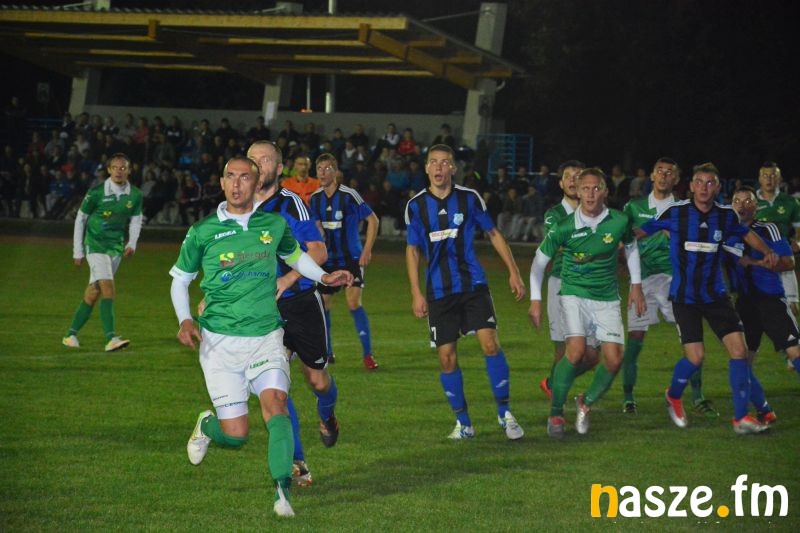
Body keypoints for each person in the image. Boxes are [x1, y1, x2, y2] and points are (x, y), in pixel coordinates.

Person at [170, 156, 352, 518]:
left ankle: (283, 493)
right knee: (236, 435)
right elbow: (180, 279)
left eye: (245, 178)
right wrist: (185, 320)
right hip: (220, 344)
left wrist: (324, 276)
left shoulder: (274, 223)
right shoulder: (203, 230)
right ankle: (207, 425)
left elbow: (296, 257)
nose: (237, 184)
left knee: (276, 405)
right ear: (222, 183)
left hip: (267, 335)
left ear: (256, 185)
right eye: (231, 177)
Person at [638, 163, 779, 433]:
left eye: (710, 182)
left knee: (739, 352)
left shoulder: (725, 216)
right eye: (699, 182)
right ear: (691, 186)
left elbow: (747, 233)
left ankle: (740, 418)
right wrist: (613, 242)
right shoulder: (676, 212)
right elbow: (641, 231)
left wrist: (767, 251)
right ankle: (674, 395)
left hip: (716, 296)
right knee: (695, 358)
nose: (704, 187)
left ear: (717, 187)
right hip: (685, 298)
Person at [404, 144, 526, 440]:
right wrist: (416, 292)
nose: (439, 167)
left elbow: (494, 233)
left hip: (472, 284)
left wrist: (514, 271)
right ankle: (464, 424)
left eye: (445, 162)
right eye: (434, 162)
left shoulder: (469, 198)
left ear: (453, 168)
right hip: (439, 291)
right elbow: (412, 250)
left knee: (490, 344)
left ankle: (505, 414)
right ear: (426, 168)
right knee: (446, 358)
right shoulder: (416, 206)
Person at [248, 140, 340, 487]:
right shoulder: (237, 207)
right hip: (264, 311)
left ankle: (327, 413)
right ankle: (297, 460)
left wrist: (287, 278)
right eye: (253, 159)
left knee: (317, 381)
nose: (258, 164)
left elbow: (319, 252)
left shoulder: (291, 204)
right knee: (276, 389)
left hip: (301, 302)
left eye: (265, 159)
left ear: (278, 168)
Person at [529, 168, 645, 438]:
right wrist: (535, 301)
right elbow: (538, 263)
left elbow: (630, 248)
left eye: (596, 188)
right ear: (578, 192)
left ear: (605, 192)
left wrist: (636, 286)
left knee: (614, 360)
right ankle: (556, 413)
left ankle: (585, 401)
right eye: (585, 189)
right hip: (573, 294)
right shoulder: (564, 226)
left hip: (607, 298)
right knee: (576, 351)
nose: (591, 194)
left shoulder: (619, 220)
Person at [620, 158, 714, 416]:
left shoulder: (685, 209)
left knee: (690, 337)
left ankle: (698, 396)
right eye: (659, 171)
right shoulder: (634, 207)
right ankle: (628, 398)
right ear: (652, 176)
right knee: (635, 337)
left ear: (676, 179)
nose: (663, 176)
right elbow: (624, 242)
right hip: (643, 282)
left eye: (669, 172)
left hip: (676, 281)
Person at [724, 186, 800, 429]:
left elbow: (789, 262)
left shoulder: (769, 229)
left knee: (795, 352)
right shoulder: (726, 232)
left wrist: (759, 263)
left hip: (771, 300)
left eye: (748, 201)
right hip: (745, 304)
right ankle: (764, 410)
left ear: (756, 206)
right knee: (742, 360)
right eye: (737, 201)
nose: (742, 205)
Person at [62, 153, 142, 352]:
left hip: (115, 248)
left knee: (93, 292)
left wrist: (132, 242)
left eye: (123, 168)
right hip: (95, 245)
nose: (118, 171)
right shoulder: (96, 193)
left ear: (129, 171)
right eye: (115, 167)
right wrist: (78, 251)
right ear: (108, 170)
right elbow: (80, 218)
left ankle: (70, 335)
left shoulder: (135, 194)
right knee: (108, 288)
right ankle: (111, 338)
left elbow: (136, 219)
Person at [309, 154, 380, 370]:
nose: (322, 172)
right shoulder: (315, 198)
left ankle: (367, 355)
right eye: (319, 168)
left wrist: (367, 250)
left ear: (335, 171)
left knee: (353, 303)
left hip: (351, 259)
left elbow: (373, 220)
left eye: (327, 168)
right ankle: (328, 351)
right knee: (324, 305)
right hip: (327, 260)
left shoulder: (349, 195)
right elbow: (316, 228)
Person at [536, 161, 600, 400]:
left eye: (578, 175)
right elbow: (560, 245)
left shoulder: (597, 212)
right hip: (561, 285)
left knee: (592, 356)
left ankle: (553, 383)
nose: (573, 179)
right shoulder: (554, 215)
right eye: (567, 176)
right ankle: (557, 404)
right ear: (561, 183)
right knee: (564, 350)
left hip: (591, 285)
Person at [755, 161, 800, 315]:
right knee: (759, 308)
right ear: (759, 179)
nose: (769, 179)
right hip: (760, 260)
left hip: (784, 259)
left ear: (780, 179)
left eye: (773, 175)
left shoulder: (791, 202)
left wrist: (798, 242)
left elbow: (799, 230)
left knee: (792, 309)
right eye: (765, 175)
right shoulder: (751, 201)